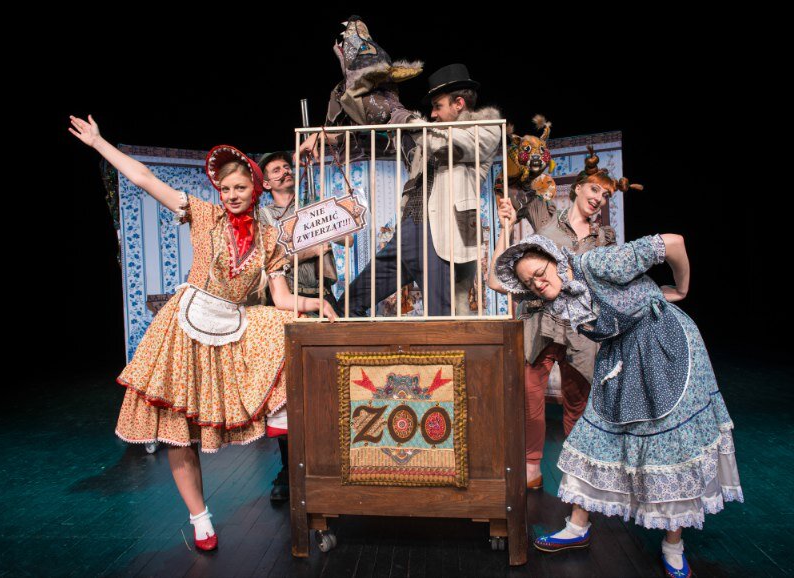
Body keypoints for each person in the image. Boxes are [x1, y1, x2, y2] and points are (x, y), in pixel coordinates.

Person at [69, 115, 336, 551]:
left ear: (256, 189)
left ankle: (289, 445)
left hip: (233, 321)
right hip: (186, 325)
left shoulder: (269, 239)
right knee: (180, 428)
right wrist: (99, 143)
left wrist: (316, 304)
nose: (231, 195)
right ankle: (199, 517)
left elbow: (282, 298)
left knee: (284, 328)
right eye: (225, 188)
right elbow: (144, 178)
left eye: (240, 187)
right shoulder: (204, 214)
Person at [489, 230, 742, 577]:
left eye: (539, 273)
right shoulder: (555, 296)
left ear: (555, 259)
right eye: (529, 282)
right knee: (596, 435)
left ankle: (673, 546)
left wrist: (681, 289)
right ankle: (577, 527)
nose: (537, 284)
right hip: (620, 355)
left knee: (668, 444)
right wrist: (505, 232)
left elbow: (674, 243)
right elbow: (495, 282)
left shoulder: (599, 263)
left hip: (662, 347)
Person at [302, 63, 502, 317]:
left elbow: (446, 146)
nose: (433, 114)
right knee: (349, 305)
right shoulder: (427, 134)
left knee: (442, 320)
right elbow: (373, 139)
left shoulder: (486, 129)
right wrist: (323, 137)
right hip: (408, 231)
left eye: (438, 106)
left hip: (446, 233)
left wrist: (405, 118)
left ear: (459, 103)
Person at [496, 148, 629, 491]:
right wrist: (506, 208)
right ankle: (531, 465)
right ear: (578, 188)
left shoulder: (604, 238)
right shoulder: (546, 216)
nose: (599, 199)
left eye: (606, 195)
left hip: (580, 330)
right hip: (540, 324)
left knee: (577, 400)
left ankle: (575, 469)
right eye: (595, 189)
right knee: (529, 397)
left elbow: (609, 281)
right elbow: (514, 190)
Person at [256, 150, 346, 503]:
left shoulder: (313, 206)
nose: (284, 172)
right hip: (287, 303)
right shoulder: (263, 217)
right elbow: (272, 256)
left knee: (332, 381)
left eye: (286, 167)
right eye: (275, 170)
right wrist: (312, 247)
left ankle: (334, 461)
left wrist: (343, 222)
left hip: (323, 295)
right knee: (287, 392)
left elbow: (347, 238)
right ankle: (288, 469)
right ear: (266, 183)